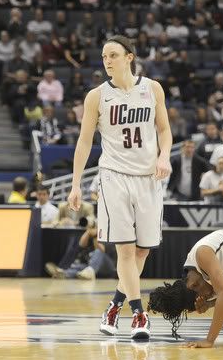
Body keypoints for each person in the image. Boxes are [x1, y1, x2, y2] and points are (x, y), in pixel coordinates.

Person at [67, 35, 172, 340]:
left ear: (129, 57)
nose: (107, 61)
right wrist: (75, 184)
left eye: (113, 55)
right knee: (125, 250)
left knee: (141, 253)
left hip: (149, 178)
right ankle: (139, 315)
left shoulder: (152, 89)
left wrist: (164, 156)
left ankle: (114, 305)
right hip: (113, 176)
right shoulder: (96, 96)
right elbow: (84, 141)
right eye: (104, 57)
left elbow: (164, 130)